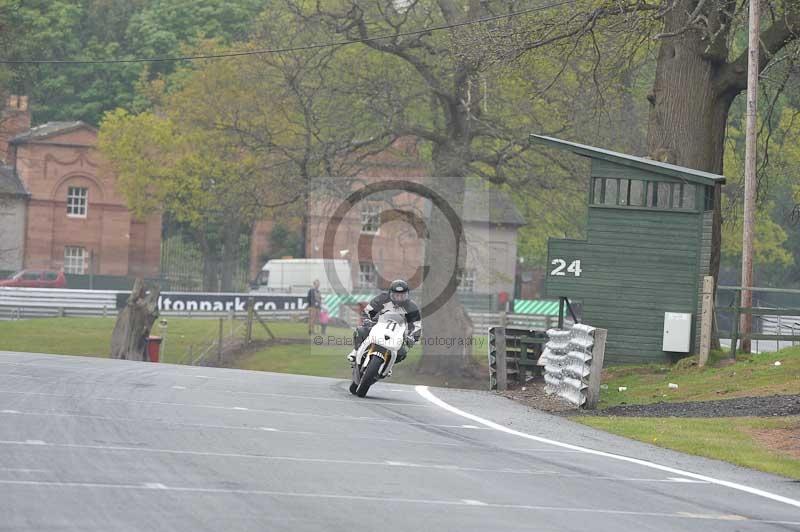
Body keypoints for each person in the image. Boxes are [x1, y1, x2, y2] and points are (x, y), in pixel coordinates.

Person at [347, 279, 422, 370]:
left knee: (402, 353)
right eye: (396, 295)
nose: (399, 298)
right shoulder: (382, 298)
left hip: (397, 334)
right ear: (390, 293)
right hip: (378, 326)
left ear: (407, 294)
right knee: (361, 331)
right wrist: (367, 319)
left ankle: (387, 365)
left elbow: (417, 325)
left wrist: (413, 337)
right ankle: (355, 352)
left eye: (402, 296)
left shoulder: (412, 307)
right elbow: (368, 310)